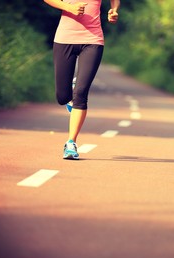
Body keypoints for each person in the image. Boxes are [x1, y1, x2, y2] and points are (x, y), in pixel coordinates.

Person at [43, 0, 120, 160]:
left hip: (93, 40)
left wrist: (114, 9)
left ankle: (71, 143)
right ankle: (71, 91)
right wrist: (69, 7)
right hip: (64, 39)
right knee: (63, 97)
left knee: (81, 93)